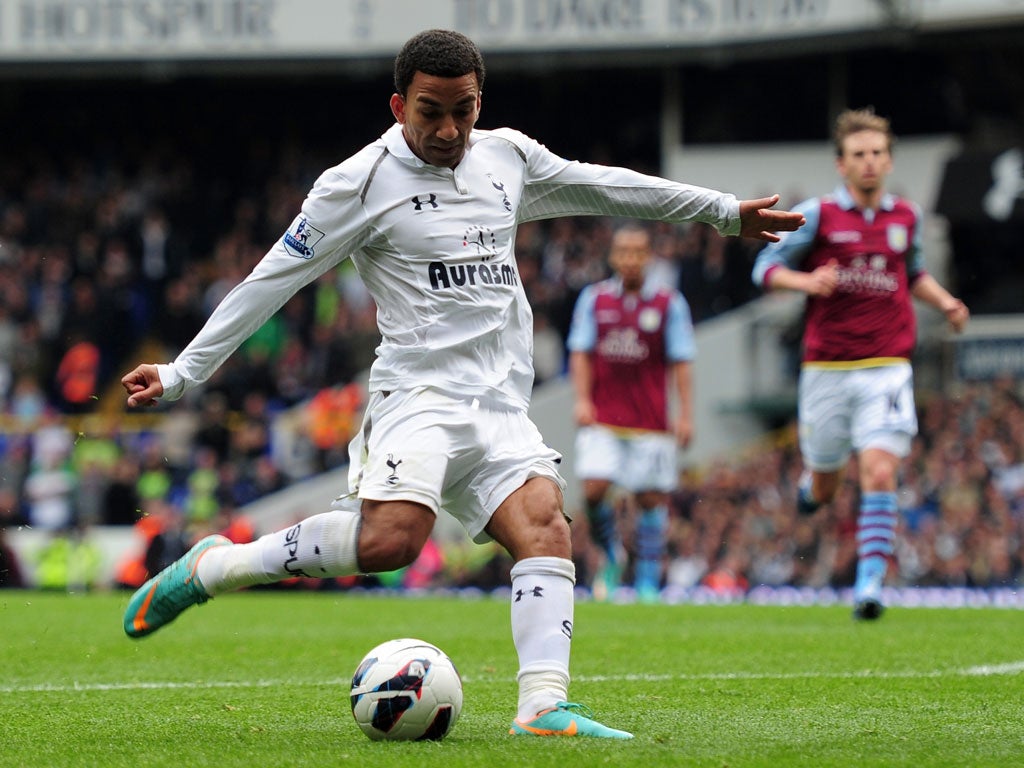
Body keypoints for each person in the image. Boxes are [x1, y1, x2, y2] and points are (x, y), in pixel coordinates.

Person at [120, 28, 804, 739]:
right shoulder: (354, 185)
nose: (449, 129)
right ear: (397, 105)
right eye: (430, 112)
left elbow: (605, 186)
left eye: (464, 110)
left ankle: (541, 706)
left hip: (501, 403)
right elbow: (269, 282)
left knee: (546, 527)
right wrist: (181, 372)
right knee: (392, 542)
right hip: (416, 397)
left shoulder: (507, 157)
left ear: (481, 102)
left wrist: (722, 211)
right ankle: (218, 567)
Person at [751, 107, 969, 621]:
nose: (869, 162)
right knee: (826, 484)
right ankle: (813, 488)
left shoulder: (906, 218)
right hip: (827, 369)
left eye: (876, 154)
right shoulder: (821, 215)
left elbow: (912, 273)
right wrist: (807, 282)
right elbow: (766, 266)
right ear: (841, 164)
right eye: (858, 155)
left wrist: (946, 303)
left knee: (878, 468)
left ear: (888, 161)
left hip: (888, 366)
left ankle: (869, 582)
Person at [567, 222, 695, 602]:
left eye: (638, 252)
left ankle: (648, 582)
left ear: (649, 256)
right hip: (604, 417)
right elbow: (580, 352)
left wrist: (685, 414)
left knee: (650, 500)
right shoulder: (595, 299)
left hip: (650, 420)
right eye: (623, 252)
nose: (630, 259)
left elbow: (682, 361)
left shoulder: (669, 303)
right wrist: (582, 399)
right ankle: (611, 553)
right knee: (593, 489)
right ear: (613, 257)